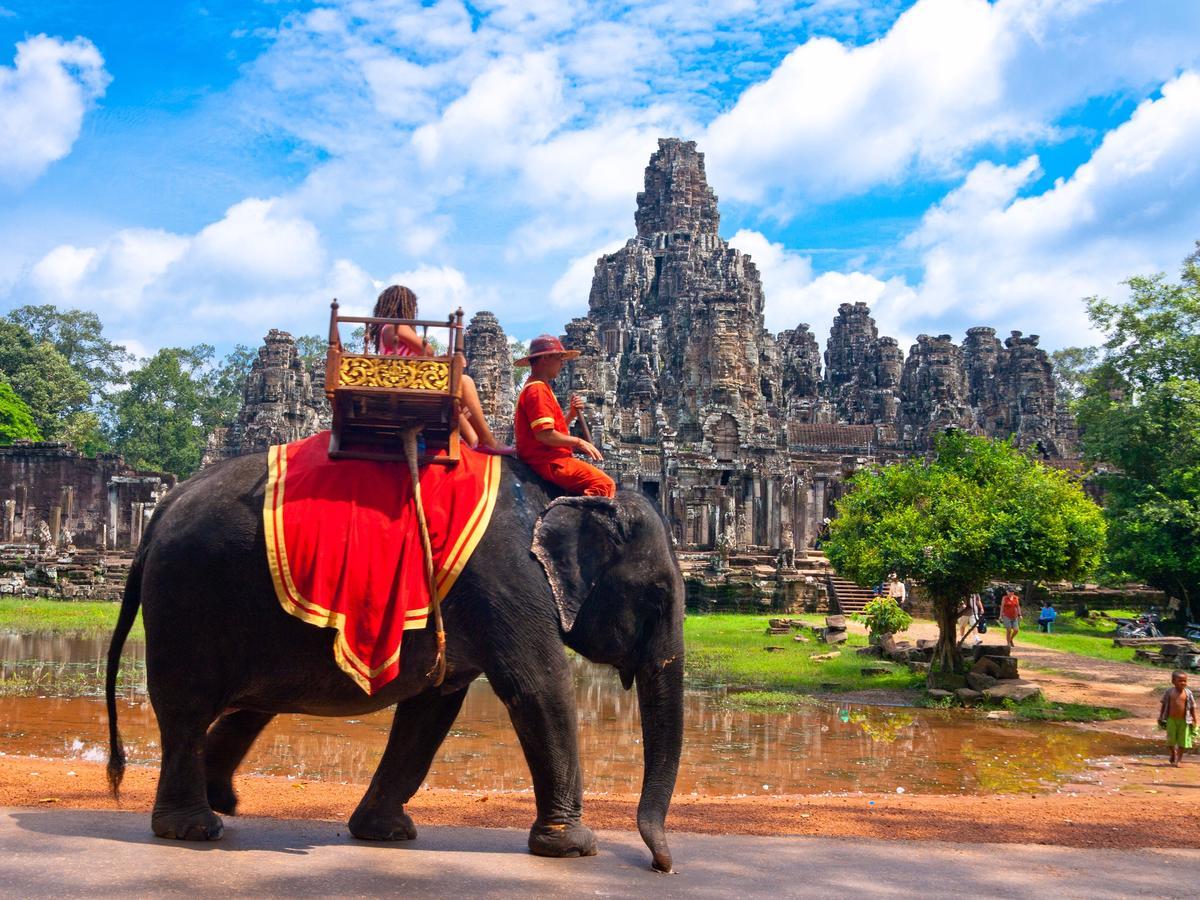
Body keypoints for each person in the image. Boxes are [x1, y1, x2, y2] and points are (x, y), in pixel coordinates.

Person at [370, 285, 503, 450]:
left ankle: (475, 442)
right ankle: (488, 441)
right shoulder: (396, 326)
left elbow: (423, 357)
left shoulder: (386, 330)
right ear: (404, 306)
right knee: (464, 381)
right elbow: (428, 351)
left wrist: (447, 359)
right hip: (407, 385)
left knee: (455, 400)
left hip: (405, 381)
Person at [513, 334, 615, 498]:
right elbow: (544, 435)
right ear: (545, 358)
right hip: (548, 462)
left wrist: (571, 415)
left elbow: (552, 431)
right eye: (559, 358)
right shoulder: (537, 389)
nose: (562, 363)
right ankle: (577, 523)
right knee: (604, 484)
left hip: (550, 458)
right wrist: (579, 441)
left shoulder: (541, 387)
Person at [1158, 670, 1197, 767]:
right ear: (1173, 681)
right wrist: (1161, 716)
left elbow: (1192, 707)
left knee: (1182, 741)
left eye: (1185, 681)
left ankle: (1178, 760)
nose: (1183, 683)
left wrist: (1194, 719)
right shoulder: (1169, 692)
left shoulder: (1188, 693)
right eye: (1180, 681)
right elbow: (1163, 704)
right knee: (1170, 740)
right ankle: (1173, 753)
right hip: (1171, 720)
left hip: (1184, 721)